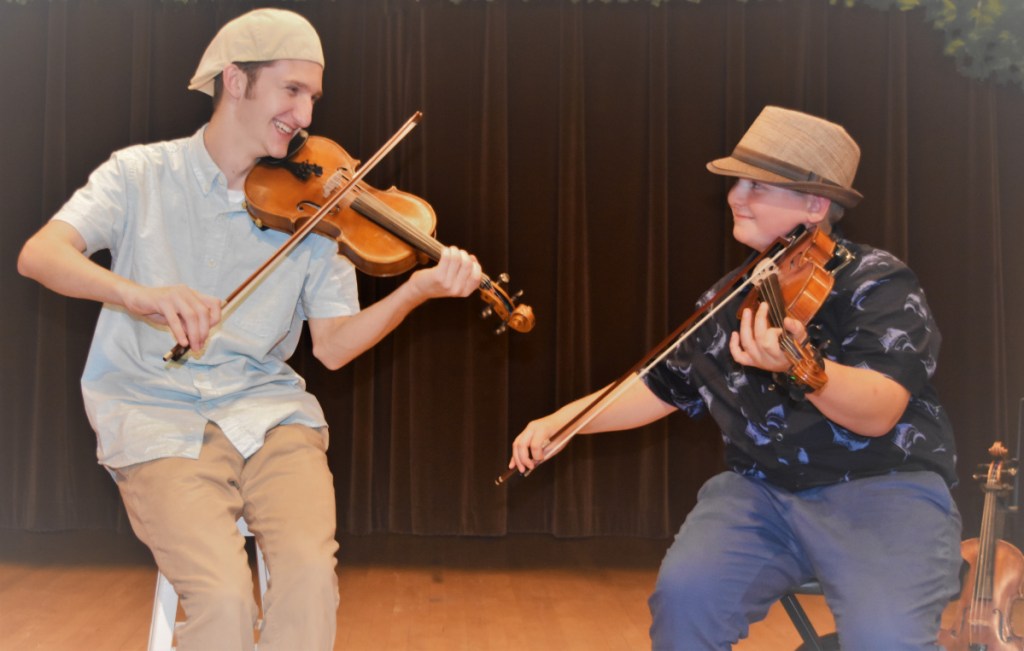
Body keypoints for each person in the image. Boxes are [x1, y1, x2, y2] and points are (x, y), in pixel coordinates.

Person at [17, 8, 481, 651]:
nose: (307, 117)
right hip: (154, 412)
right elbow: (39, 255)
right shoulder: (140, 174)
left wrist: (418, 288)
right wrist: (138, 295)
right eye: (292, 91)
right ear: (235, 81)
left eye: (313, 97)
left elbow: (336, 347)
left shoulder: (319, 212)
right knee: (224, 601)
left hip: (269, 416)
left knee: (311, 581)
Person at [508, 106, 962, 650]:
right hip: (761, 492)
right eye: (736, 183)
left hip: (884, 491)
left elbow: (880, 409)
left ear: (816, 206)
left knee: (887, 639)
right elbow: (660, 385)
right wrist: (563, 422)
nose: (735, 197)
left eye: (757, 186)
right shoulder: (730, 297)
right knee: (685, 604)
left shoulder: (878, 283)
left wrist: (803, 368)